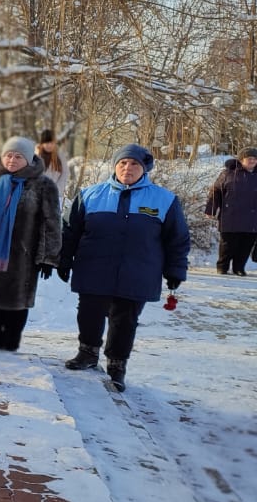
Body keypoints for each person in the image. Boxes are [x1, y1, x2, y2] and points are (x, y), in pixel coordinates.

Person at [57, 144, 189, 391]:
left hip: (138, 272)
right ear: (114, 166)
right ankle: (87, 353)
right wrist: (64, 260)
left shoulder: (164, 200)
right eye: (122, 163)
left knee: (125, 319)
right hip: (94, 267)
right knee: (89, 313)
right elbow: (70, 231)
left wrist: (175, 270)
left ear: (144, 169)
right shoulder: (90, 195)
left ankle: (117, 366)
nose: (127, 168)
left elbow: (177, 239)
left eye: (134, 164)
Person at [0, 137, 61, 351]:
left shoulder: (43, 186)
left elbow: (51, 223)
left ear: (28, 159)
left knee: (15, 304)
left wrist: (48, 257)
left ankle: (9, 347)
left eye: (18, 156)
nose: (12, 160)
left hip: (21, 258)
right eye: (8, 155)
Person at [205, 147, 257, 275]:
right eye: (249, 158)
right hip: (230, 215)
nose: (252, 161)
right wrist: (211, 209)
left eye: (255, 159)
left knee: (246, 245)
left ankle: (239, 268)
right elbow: (216, 191)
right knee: (228, 245)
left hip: (252, 217)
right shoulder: (227, 173)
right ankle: (222, 267)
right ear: (241, 160)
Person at [36, 129, 69, 205]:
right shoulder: (35, 156)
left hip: (55, 196)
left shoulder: (60, 156)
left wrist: (56, 190)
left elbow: (65, 174)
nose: (49, 145)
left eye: (51, 142)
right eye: (46, 142)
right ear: (42, 143)